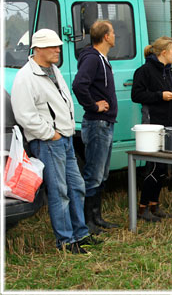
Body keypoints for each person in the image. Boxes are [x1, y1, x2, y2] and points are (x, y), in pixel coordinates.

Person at [11, 29, 101, 254]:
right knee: (59, 191)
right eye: (52, 46)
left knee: (76, 187)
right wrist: (50, 133)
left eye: (58, 45)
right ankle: (65, 242)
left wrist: (64, 132)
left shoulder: (53, 70)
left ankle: (80, 235)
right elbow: (24, 115)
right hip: (49, 142)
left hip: (65, 139)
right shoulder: (26, 77)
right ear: (37, 49)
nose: (58, 49)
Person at [72, 20, 119, 235]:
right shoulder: (92, 59)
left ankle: (97, 217)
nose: (115, 35)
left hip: (106, 124)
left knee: (102, 174)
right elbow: (79, 84)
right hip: (97, 123)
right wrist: (93, 105)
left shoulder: (101, 58)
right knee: (93, 174)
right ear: (106, 37)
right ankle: (87, 221)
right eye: (113, 32)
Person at [131, 36, 172, 222]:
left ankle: (154, 204)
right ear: (164, 52)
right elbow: (136, 94)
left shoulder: (171, 74)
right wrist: (160, 96)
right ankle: (143, 208)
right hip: (152, 125)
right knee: (152, 167)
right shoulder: (144, 71)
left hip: (169, 123)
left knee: (162, 167)